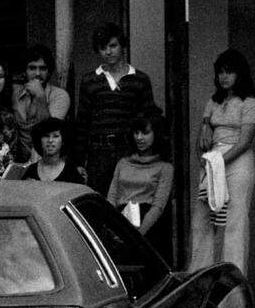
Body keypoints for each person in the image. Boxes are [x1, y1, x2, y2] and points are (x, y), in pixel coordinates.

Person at [189, 49, 255, 275]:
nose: (224, 76)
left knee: (234, 220)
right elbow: (203, 133)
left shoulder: (249, 102)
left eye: (229, 72)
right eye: (220, 72)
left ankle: (234, 280)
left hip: (237, 161)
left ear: (240, 74)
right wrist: (204, 151)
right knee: (202, 218)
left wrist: (219, 161)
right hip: (212, 159)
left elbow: (245, 141)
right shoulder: (214, 101)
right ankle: (199, 275)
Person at [76, 23, 157, 193]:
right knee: (100, 203)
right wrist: (78, 161)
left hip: (128, 150)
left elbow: (148, 121)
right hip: (98, 152)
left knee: (131, 203)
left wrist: (148, 157)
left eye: (113, 46)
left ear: (122, 46)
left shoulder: (140, 79)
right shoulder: (89, 80)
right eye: (103, 47)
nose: (108, 51)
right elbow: (82, 123)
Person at [107, 111, 175, 261]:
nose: (139, 137)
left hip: (149, 226)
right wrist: (115, 228)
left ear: (156, 134)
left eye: (145, 133)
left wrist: (137, 235)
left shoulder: (165, 168)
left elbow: (158, 206)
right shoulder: (123, 163)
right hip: (120, 220)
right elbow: (111, 197)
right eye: (136, 133)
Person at [12, 44, 70, 161]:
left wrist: (40, 95)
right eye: (32, 68)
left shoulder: (60, 95)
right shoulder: (15, 94)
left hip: (47, 162)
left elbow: (48, 129)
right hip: (19, 162)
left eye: (43, 68)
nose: (37, 73)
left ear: (49, 72)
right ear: (25, 71)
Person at [21, 118, 84, 184]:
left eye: (55, 136)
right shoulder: (31, 170)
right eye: (46, 136)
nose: (50, 140)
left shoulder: (71, 172)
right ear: (39, 140)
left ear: (63, 141)